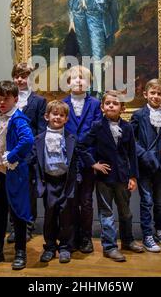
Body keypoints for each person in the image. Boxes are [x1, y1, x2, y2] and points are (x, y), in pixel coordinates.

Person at [78, 90, 140, 262]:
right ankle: (109, 247)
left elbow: (132, 154)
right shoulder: (97, 126)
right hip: (104, 178)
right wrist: (93, 163)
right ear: (102, 107)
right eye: (108, 103)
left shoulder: (127, 127)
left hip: (123, 177)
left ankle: (128, 241)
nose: (111, 105)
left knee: (126, 212)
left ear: (122, 108)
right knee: (106, 214)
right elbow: (81, 145)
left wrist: (133, 177)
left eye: (115, 103)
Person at [0, 81, 34, 270]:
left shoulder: (18, 119)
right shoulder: (0, 117)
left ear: (15, 99)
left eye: (6, 99)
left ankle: (20, 252)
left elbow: (28, 140)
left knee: (18, 214)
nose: (1, 102)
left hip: (14, 174)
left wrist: (12, 155)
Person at [31, 100, 83, 263]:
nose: (58, 117)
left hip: (66, 182)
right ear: (47, 116)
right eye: (55, 114)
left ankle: (65, 247)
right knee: (50, 215)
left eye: (62, 115)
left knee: (66, 216)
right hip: (48, 182)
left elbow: (77, 160)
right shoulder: (39, 138)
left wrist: (78, 178)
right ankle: (50, 246)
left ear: (66, 119)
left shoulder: (71, 138)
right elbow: (34, 160)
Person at [130, 79, 161, 252]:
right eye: (152, 93)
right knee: (146, 201)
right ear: (146, 94)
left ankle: (160, 230)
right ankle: (147, 235)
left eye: (159, 94)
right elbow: (131, 140)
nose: (156, 96)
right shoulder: (139, 115)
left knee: (159, 202)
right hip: (144, 164)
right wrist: (144, 154)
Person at [63, 65, 102, 253]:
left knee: (86, 201)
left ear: (89, 82)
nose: (79, 81)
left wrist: (83, 146)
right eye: (74, 78)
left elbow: (97, 129)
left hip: (88, 160)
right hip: (68, 161)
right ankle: (71, 238)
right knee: (70, 201)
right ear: (68, 82)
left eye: (83, 78)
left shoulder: (95, 104)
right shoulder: (62, 104)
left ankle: (86, 238)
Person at [7, 62, 46, 244]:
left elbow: (40, 130)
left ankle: (28, 226)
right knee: (12, 191)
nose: (20, 79)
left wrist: (32, 153)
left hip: (29, 156)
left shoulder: (38, 101)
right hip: (10, 154)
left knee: (29, 194)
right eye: (17, 76)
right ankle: (14, 227)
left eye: (24, 76)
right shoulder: (8, 100)